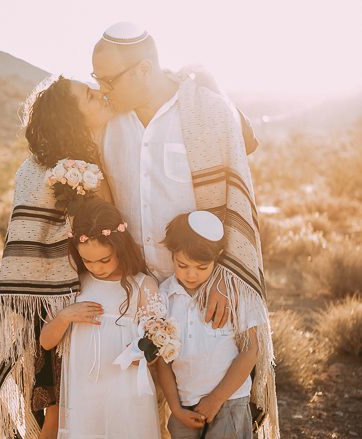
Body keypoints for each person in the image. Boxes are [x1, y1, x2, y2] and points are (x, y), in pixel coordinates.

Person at [91, 22, 279, 438]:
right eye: (96, 80)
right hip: (133, 289)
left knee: (204, 408)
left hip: (197, 284)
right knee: (132, 412)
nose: (102, 89)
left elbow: (234, 204)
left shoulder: (207, 114)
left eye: (108, 79)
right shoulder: (104, 124)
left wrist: (222, 278)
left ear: (142, 70)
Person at [0, 76, 113, 439]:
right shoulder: (67, 169)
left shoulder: (40, 162)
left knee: (59, 404)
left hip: (51, 294)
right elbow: (107, 216)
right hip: (52, 297)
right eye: (91, 97)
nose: (101, 97)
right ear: (72, 119)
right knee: (56, 408)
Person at [40, 197, 161, 439]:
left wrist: (144, 353)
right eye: (88, 260)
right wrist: (65, 316)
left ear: (120, 247)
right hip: (84, 390)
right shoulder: (77, 283)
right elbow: (46, 342)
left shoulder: (142, 285)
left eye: (104, 260)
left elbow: (158, 341)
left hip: (125, 390)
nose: (96, 268)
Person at [156, 211, 272, 438]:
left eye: (201, 267)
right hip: (185, 405)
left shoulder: (233, 291)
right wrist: (176, 408)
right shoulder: (163, 295)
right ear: (172, 255)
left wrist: (215, 399)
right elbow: (163, 361)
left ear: (217, 257)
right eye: (183, 265)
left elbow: (251, 350)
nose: (191, 275)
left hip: (230, 401)